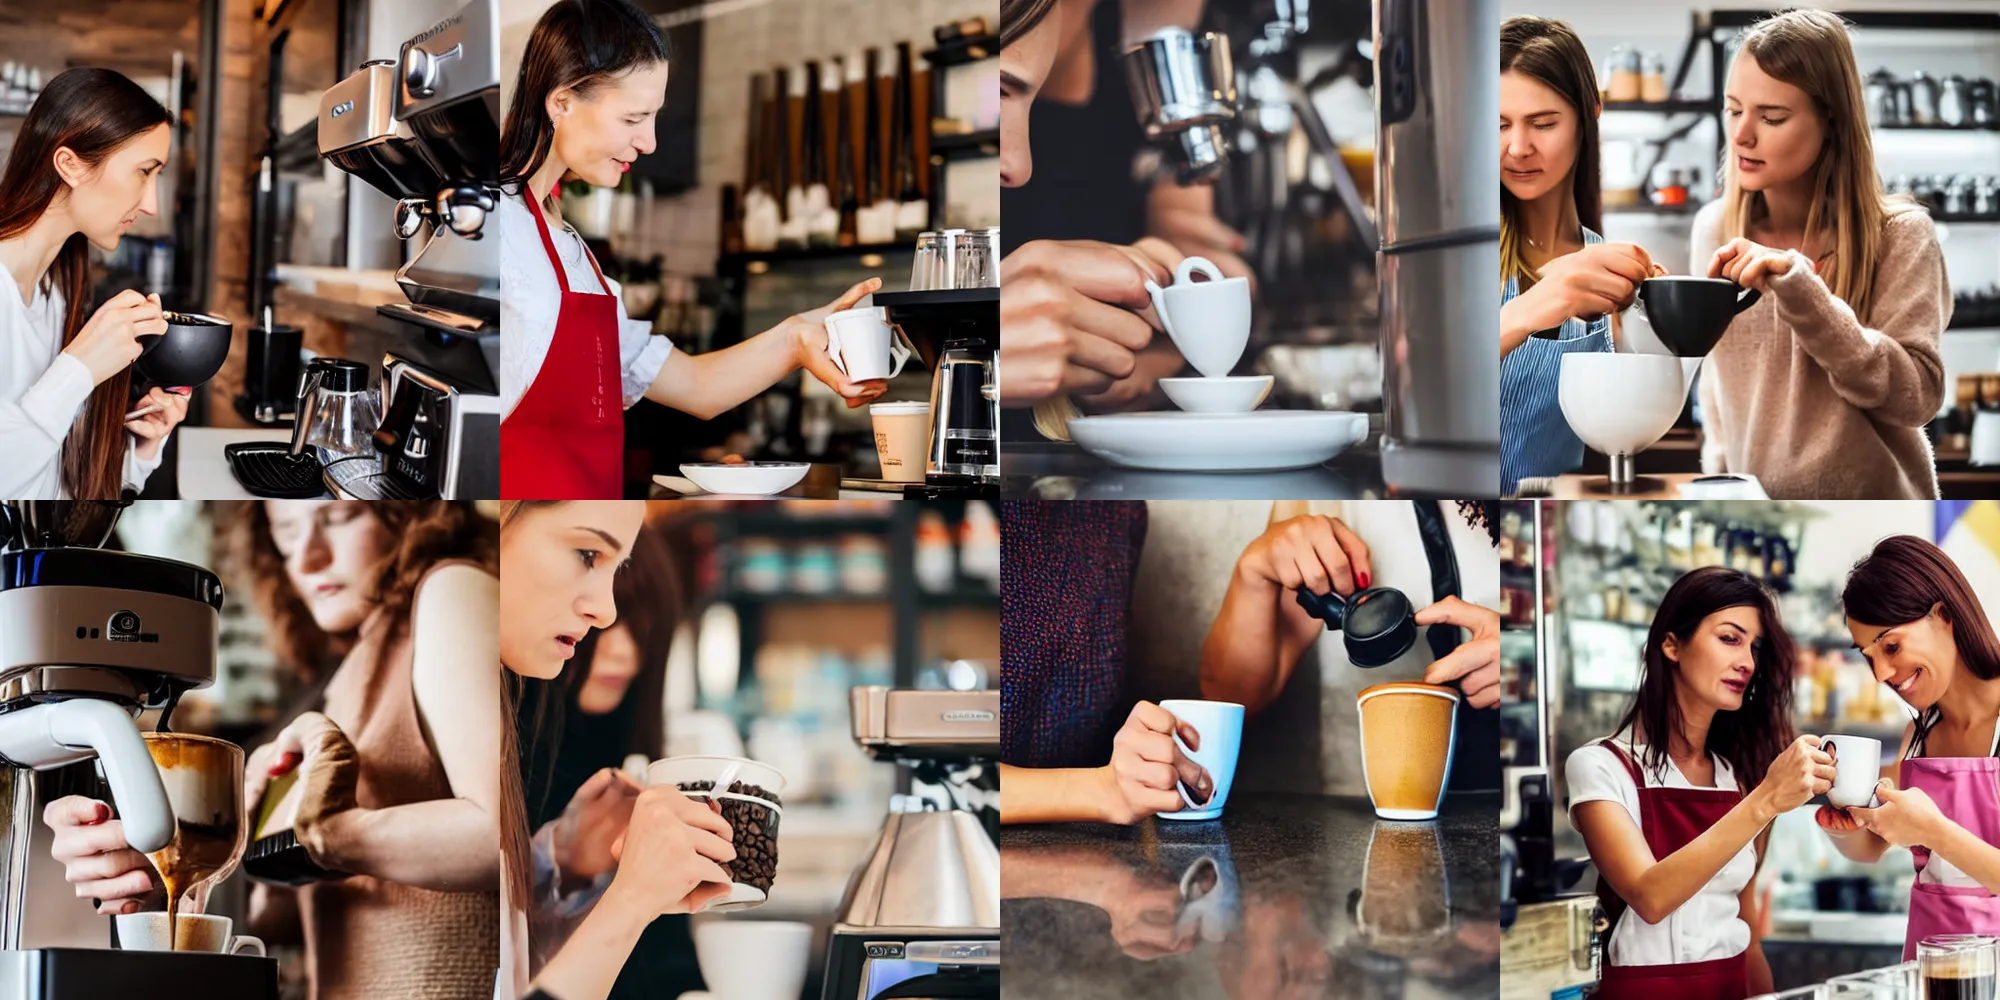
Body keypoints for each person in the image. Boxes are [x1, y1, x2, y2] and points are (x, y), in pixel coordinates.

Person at [44, 501, 504, 999]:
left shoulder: (451, 586)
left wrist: (330, 835)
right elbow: (284, 911)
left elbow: (500, 836)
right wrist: (167, 865)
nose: (307, 558)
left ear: (411, 511)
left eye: (338, 517)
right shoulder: (341, 679)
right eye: (286, 531)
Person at [498, 0, 886, 499]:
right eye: (634, 117)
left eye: (654, 117)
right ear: (562, 102)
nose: (651, 142)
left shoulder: (573, 251)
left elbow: (697, 387)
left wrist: (797, 339)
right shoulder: (495, 222)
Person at [1000, 501, 1502, 826]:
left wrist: (1525, 657)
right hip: (1391, 825)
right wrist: (1254, 573)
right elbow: (1230, 699)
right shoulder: (1335, 501)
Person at [1691, 9, 1947, 498]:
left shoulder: (1902, 236)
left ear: (1832, 120)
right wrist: (1722, 492)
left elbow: (1916, 398)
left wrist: (1803, 291)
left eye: (1772, 117)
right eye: (1733, 109)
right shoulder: (1715, 228)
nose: (1742, 134)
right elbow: (1719, 396)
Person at [497, 500, 734, 1000]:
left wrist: (564, 866)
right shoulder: (504, 738)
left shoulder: (633, 759)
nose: (616, 637)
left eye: (643, 626)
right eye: (586, 554)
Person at [1565, 566, 1830, 1000]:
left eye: (1755, 647)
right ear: (1672, 644)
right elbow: (1650, 896)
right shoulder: (1600, 767)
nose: (1746, 661)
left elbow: (1748, 935)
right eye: (1730, 638)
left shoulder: (1739, 778)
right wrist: (1765, 800)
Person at [999, 0, 1235, 416]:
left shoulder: (1147, 33)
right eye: (1000, 91)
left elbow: (1185, 219)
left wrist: (1177, 324)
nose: (1021, 167)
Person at [0, 67, 191, 499]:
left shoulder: (55, 290)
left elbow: (49, 479)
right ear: (70, 165)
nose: (151, 205)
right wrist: (79, 369)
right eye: (144, 172)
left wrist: (140, 450)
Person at [1816, 535, 2000, 959]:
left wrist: (1933, 831)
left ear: (1944, 615)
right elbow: (1870, 849)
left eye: (1891, 646)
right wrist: (1842, 824)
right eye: (1869, 656)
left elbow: (1929, 835)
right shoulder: (1916, 738)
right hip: (1928, 967)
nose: (1881, 673)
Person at [1497, 17, 1659, 496]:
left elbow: (1633, 430)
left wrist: (1653, 328)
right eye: (1499, 124)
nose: (1518, 147)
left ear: (1589, 117)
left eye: (1543, 124)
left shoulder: (1603, 272)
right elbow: (1421, 399)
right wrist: (1529, 309)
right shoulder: (1457, 256)